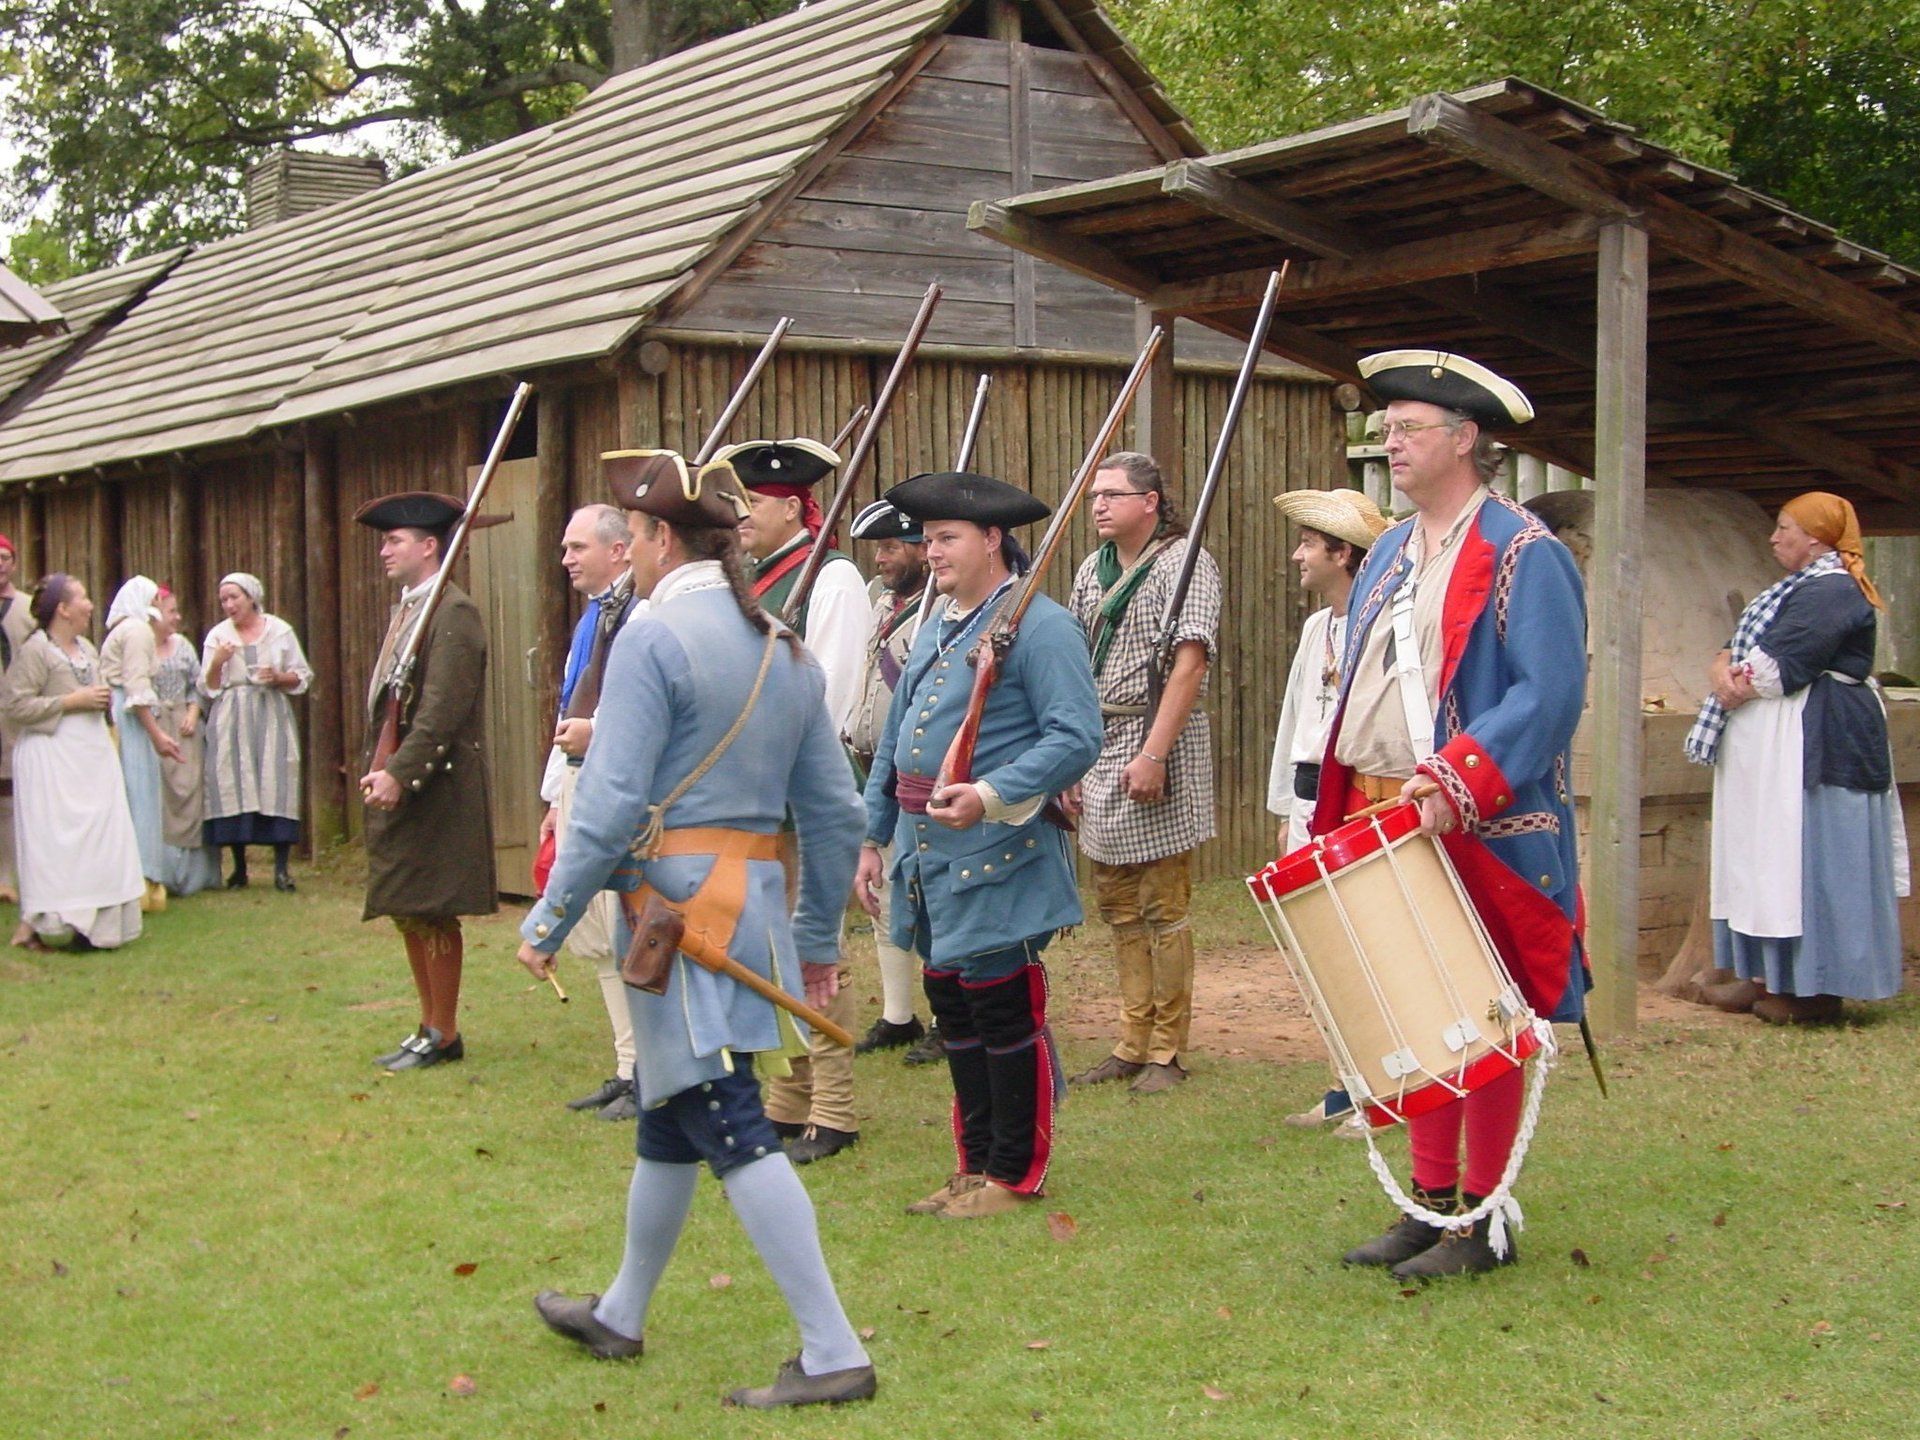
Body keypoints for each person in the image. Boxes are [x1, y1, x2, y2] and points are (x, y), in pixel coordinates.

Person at [517, 449, 876, 1410]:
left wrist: (548, 919)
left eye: (632, 536)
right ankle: (622, 1312)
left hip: (674, 922)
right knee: (671, 1114)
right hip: (744, 915)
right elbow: (835, 815)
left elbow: (608, 805)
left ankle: (834, 1350)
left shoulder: (651, 637)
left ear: (658, 538)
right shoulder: (783, 648)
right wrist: (814, 940)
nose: (628, 552)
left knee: (729, 1122)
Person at [1309, 351, 1587, 1280]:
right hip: (1380, 804)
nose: (1388, 443)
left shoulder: (1526, 552)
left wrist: (1457, 779)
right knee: (1413, 1009)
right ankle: (1427, 1204)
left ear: (1465, 439)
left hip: (1476, 815)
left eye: (1407, 429)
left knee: (1483, 1014)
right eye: (1384, 429)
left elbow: (1549, 694)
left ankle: (1482, 1216)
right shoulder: (1390, 550)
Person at [855, 471, 1102, 1219]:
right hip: (927, 856)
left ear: (993, 539)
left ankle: (1012, 1176)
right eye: (927, 539)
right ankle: (973, 1167)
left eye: (947, 538)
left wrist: (990, 794)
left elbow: (1076, 736)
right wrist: (872, 836)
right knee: (953, 1008)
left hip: (998, 851)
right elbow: (897, 741)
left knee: (1001, 1011)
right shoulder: (940, 623)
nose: (931, 552)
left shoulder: (1043, 626)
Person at [1689, 491, 1908, 1024]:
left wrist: (1732, 682)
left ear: (1815, 538)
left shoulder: (1833, 589)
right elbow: (1736, 648)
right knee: (1765, 857)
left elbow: (1778, 667)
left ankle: (1814, 989)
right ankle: (1763, 977)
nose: (1774, 537)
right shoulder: (1793, 589)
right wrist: (1721, 668)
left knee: (1808, 855)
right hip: (1777, 747)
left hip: (1822, 743)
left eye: (1785, 527)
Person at [728, 437, 870, 1165]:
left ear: (791, 507)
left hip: (807, 790)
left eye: (752, 501)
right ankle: (790, 1094)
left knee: (815, 943)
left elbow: (833, 692)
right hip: (760, 791)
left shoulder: (831, 577)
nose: (741, 514)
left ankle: (835, 1107)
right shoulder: (753, 578)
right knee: (772, 943)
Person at [1063, 452, 1221, 1096]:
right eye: (1094, 495)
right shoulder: (1091, 571)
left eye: (1113, 494)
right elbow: (1074, 667)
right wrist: (1072, 755)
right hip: (1100, 740)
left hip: (1158, 739)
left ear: (1150, 502)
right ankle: (1131, 1040)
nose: (1098, 505)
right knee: (1118, 903)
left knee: (1162, 902)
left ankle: (1167, 1049)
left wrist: (1154, 753)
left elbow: (1190, 664)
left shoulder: (1185, 564)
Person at [357, 492, 501, 1073]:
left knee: (432, 908)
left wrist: (400, 772)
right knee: (409, 906)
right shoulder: (415, 608)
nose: (384, 551)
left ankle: (444, 1031)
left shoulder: (452, 613)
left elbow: (443, 709)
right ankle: (428, 1025)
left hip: (437, 785)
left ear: (429, 546)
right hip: (410, 781)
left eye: (395, 540)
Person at [1265, 488, 1391, 1133]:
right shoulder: (1319, 629)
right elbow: (1296, 720)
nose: (1298, 556)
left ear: (1343, 553)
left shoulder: (1387, 625)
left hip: (1361, 796)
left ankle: (1387, 1086)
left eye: (1309, 544)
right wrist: (1287, 809)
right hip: (1310, 798)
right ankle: (1345, 1081)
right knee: (1325, 951)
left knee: (1370, 946)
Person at [541, 503, 642, 1121]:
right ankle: (628, 1066)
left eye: (578, 547)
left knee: (626, 926)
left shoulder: (642, 611)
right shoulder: (594, 618)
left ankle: (650, 1071)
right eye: (565, 548)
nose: (567, 560)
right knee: (599, 934)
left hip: (621, 785)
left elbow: (636, 710)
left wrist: (595, 737)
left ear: (618, 549)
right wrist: (555, 798)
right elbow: (569, 706)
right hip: (581, 780)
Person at [0, 574, 144, 950]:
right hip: (52, 758)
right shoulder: (37, 650)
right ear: (63, 609)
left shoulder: (87, 648)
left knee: (100, 835)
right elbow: (15, 705)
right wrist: (69, 702)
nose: (90, 604)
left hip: (90, 756)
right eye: (82, 597)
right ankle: (48, 923)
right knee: (58, 842)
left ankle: (97, 927)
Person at [844, 498, 933, 1058]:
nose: (880, 559)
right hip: (874, 769)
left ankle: (949, 1017)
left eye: (892, 546)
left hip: (920, 775)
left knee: (932, 899)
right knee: (883, 896)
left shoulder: (940, 609)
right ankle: (899, 1016)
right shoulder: (884, 603)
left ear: (923, 549)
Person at [100, 577, 218, 902]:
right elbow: (137, 689)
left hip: (124, 712)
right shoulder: (137, 631)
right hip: (131, 718)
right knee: (140, 793)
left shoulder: (126, 630)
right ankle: (141, 880)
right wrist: (156, 734)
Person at [201, 572, 311, 892]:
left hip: (270, 712)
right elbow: (208, 687)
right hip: (231, 714)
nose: (229, 604)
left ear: (251, 597)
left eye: (234, 597)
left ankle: (281, 869)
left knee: (276, 781)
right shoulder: (218, 636)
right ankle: (239, 868)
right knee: (234, 780)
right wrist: (218, 662)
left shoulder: (279, 631)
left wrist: (277, 676)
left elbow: (302, 675)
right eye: (224, 599)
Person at [0, 532, 34, 904]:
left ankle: (14, 876)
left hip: (16, 713)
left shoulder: (27, 608)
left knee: (13, 790)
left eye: (3, 557)